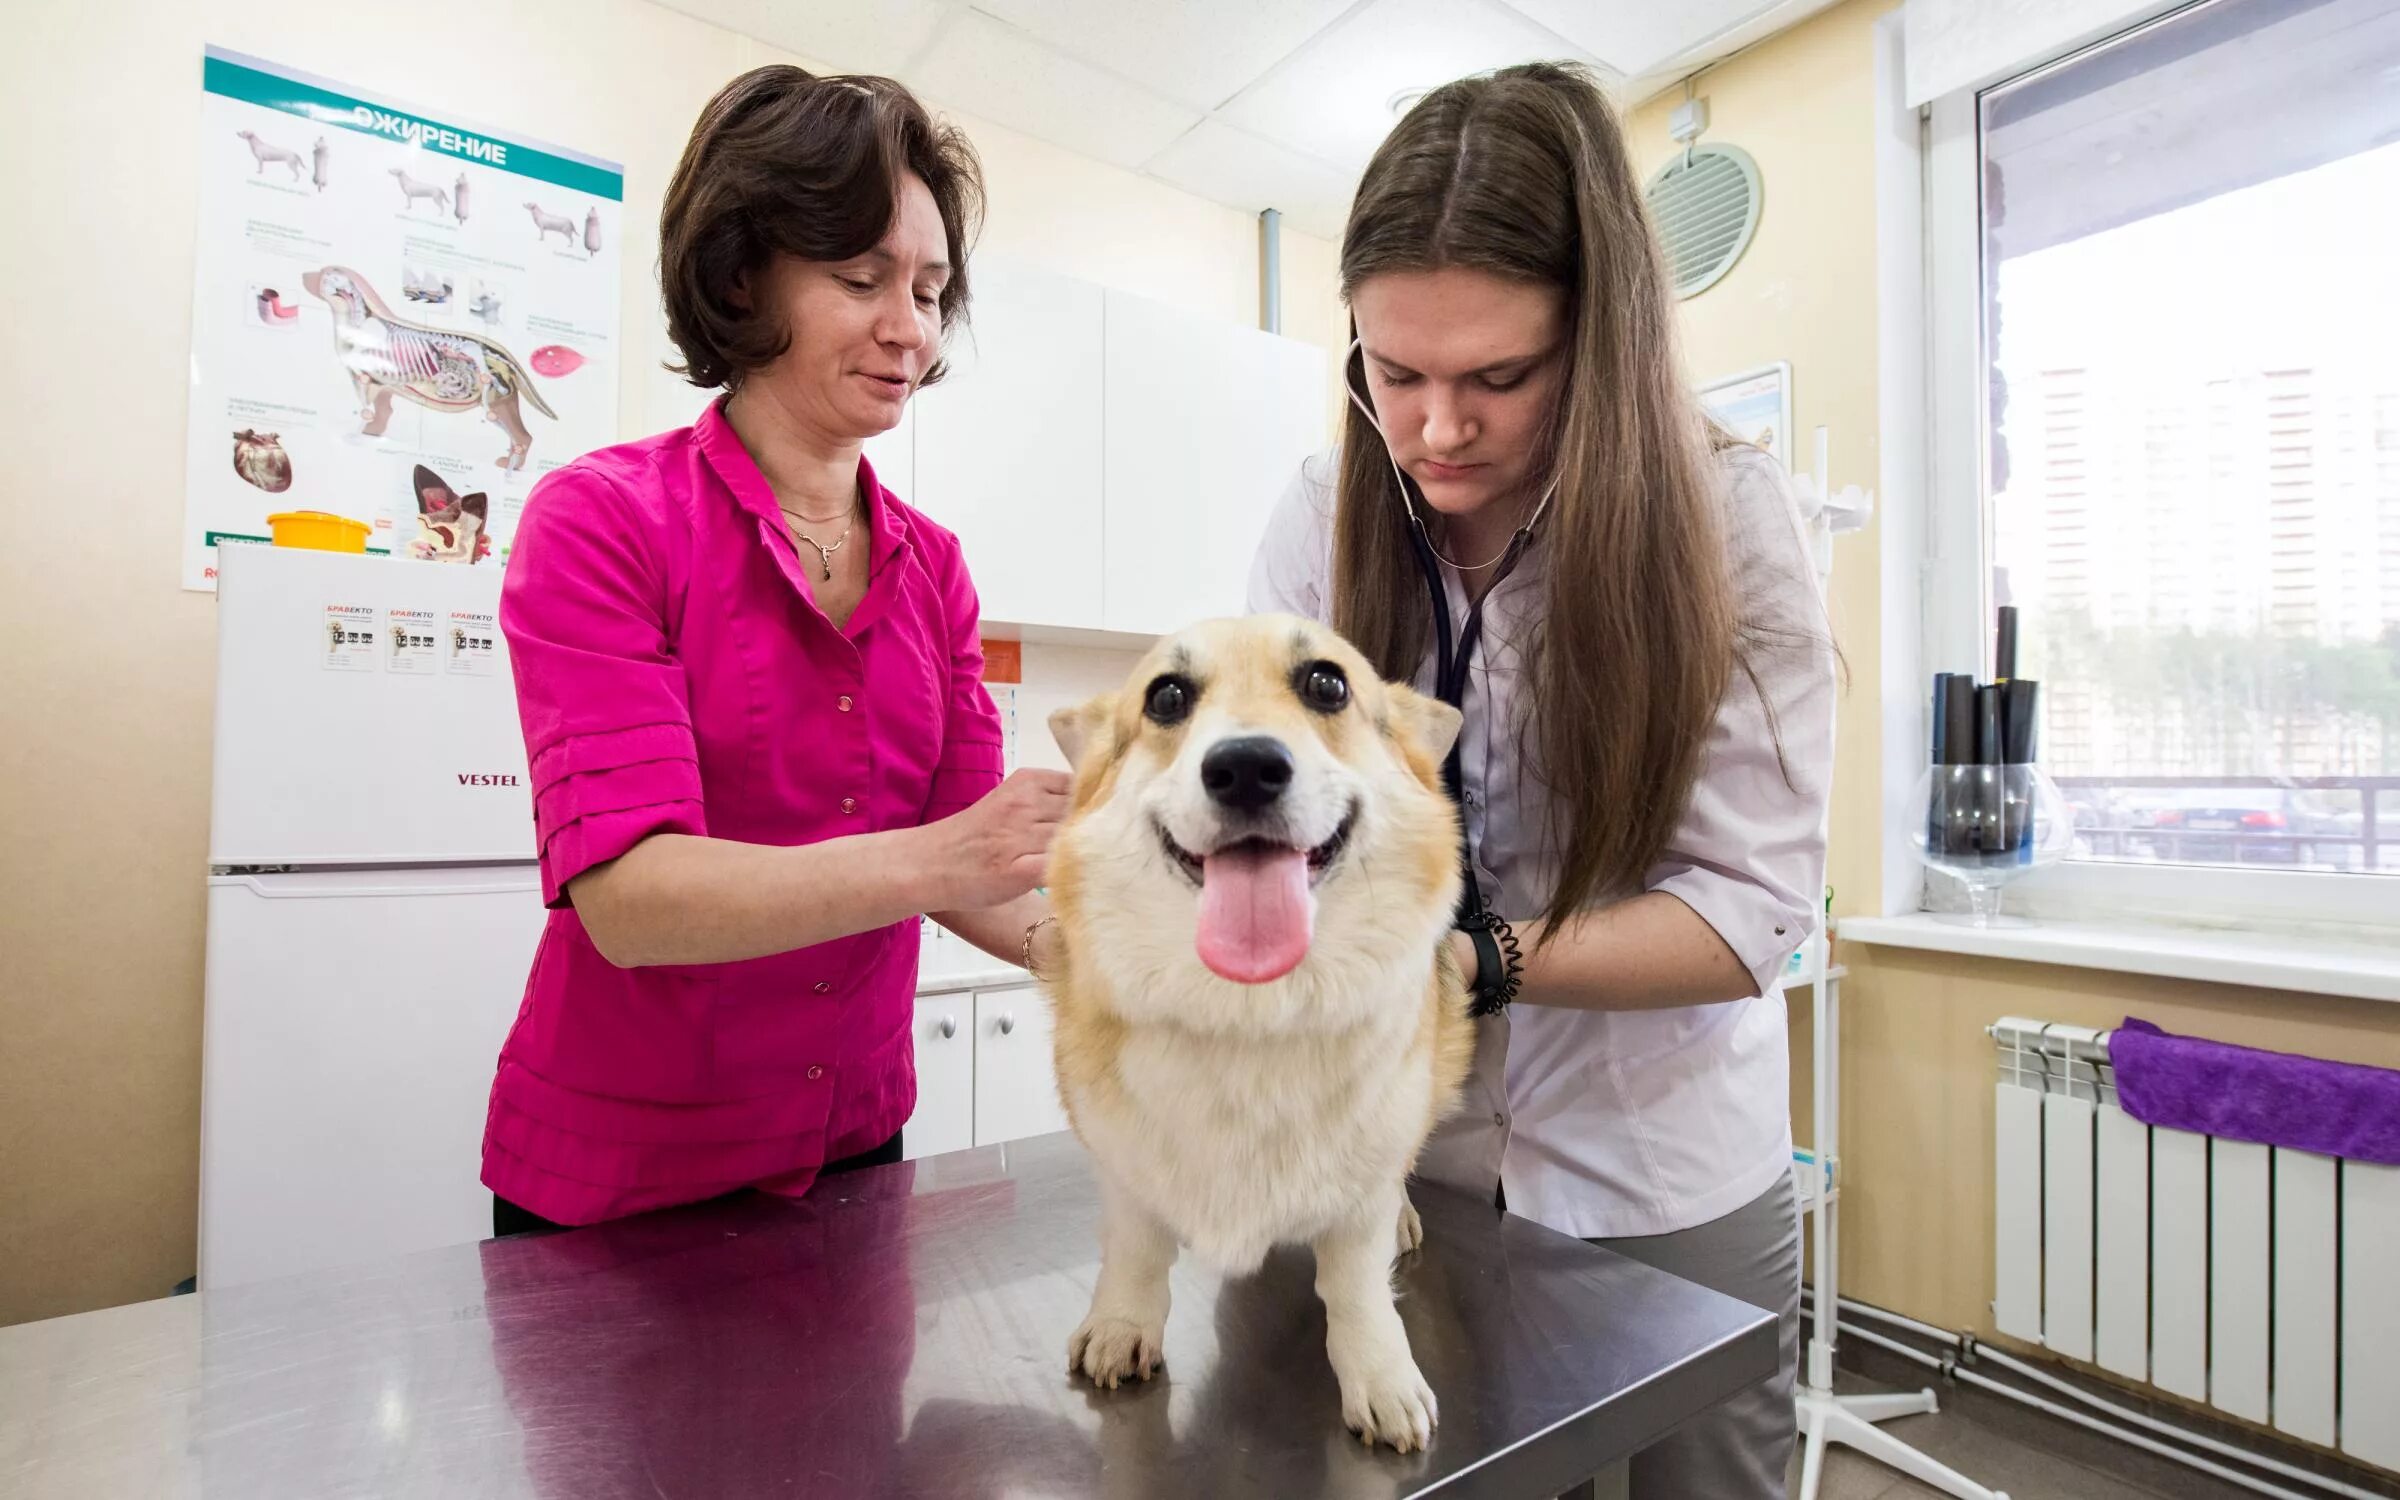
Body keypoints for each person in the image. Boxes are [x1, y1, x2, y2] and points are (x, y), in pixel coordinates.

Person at [1248, 62, 1836, 1498]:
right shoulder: (1324, 517)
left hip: (1666, 1172)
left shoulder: (1727, 521)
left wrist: (1476, 962)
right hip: (1411, 1171)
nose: (1437, 431)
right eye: (1395, 374)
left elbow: (1751, 906)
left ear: (1604, 342)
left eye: (1498, 379)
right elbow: (1278, 812)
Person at [483, 66, 1064, 1236]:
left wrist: (1140, 970)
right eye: (861, 280)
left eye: (931, 288)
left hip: (855, 1141)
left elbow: (980, 869)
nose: (910, 327)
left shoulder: (934, 569)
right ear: (744, 275)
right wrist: (943, 860)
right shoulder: (604, 520)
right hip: (625, 1174)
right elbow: (635, 901)